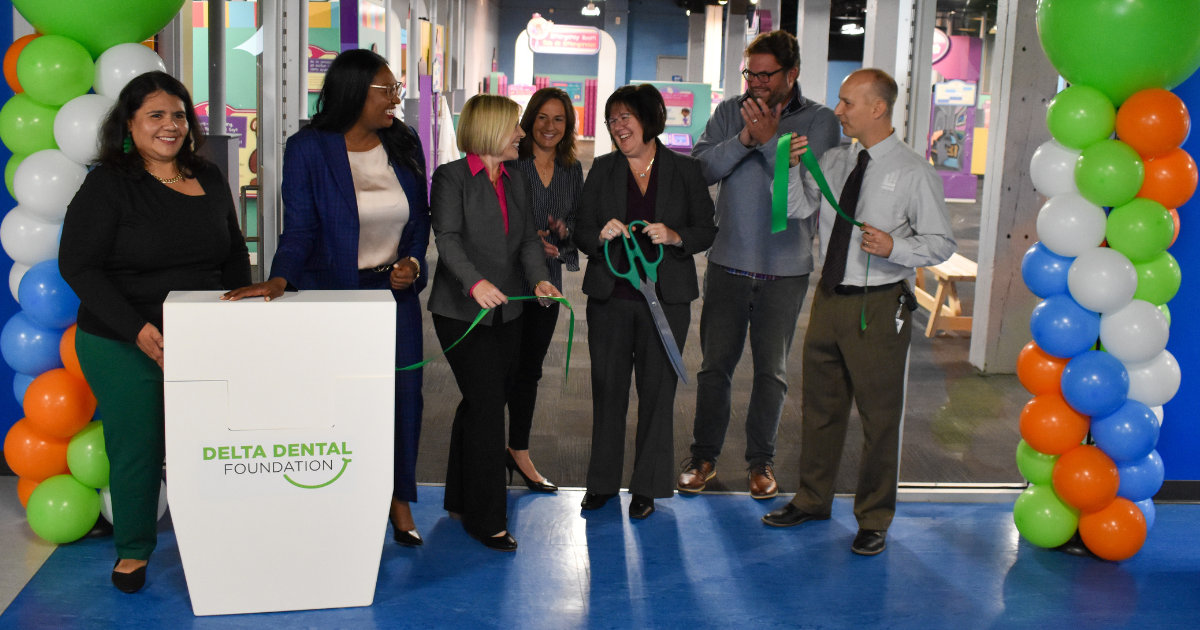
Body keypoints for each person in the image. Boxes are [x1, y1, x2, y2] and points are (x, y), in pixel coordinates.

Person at [222, 49, 430, 548]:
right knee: (339, 402)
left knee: (403, 400)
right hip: (335, 298)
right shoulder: (309, 148)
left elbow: (418, 227)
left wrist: (414, 266)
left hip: (393, 300)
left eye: (395, 88)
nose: (396, 98)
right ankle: (342, 495)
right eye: (387, 89)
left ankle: (398, 496)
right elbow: (301, 230)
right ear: (354, 91)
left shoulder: (403, 144)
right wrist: (278, 279)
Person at [59, 71, 251, 593]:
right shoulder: (109, 184)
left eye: (179, 115)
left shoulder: (208, 176)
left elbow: (232, 250)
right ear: (130, 124)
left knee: (212, 441)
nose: (171, 125)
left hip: (203, 335)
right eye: (156, 115)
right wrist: (140, 330)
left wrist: (242, 314)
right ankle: (134, 550)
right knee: (139, 445)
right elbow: (78, 267)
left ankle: (216, 535)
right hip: (122, 338)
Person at [762, 69, 956, 555]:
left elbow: (941, 244)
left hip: (879, 304)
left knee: (879, 417)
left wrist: (895, 245)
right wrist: (785, 166)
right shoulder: (832, 160)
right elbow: (795, 209)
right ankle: (812, 499)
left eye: (848, 103)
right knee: (820, 410)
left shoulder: (914, 172)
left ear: (878, 108)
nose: (838, 111)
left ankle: (873, 518)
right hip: (829, 298)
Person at [678, 29, 841, 499]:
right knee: (714, 368)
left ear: (792, 73)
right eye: (750, 72)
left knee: (772, 373)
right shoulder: (732, 111)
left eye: (766, 74)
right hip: (728, 263)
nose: (756, 83)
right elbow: (701, 169)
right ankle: (703, 456)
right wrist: (747, 138)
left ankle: (760, 463)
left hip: (786, 271)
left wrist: (772, 143)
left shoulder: (821, 121)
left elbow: (810, 195)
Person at [428, 94, 565, 551]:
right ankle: (488, 520)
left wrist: (542, 281)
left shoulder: (515, 179)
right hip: (462, 312)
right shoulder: (450, 178)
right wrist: (476, 284)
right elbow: (446, 240)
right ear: (490, 130)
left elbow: (528, 240)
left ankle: (460, 498)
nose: (522, 134)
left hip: (510, 311)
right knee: (488, 409)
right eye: (515, 127)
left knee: (480, 402)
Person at [573, 85, 717, 519]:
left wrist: (675, 237)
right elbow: (580, 231)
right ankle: (601, 483)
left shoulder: (685, 171)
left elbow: (706, 230)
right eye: (612, 119)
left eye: (625, 117)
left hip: (666, 300)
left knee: (657, 393)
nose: (618, 126)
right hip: (610, 299)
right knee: (607, 391)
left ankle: (647, 487)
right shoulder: (600, 169)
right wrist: (599, 235)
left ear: (649, 119)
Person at [502, 88, 583, 493]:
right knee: (500, 371)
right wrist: (528, 239)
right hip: (507, 281)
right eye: (543, 118)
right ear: (530, 119)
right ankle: (484, 453)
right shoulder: (511, 162)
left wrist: (563, 237)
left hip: (548, 281)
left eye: (559, 120)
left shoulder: (572, 168)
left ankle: (518, 451)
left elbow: (576, 226)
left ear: (568, 126)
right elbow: (496, 221)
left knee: (530, 370)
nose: (550, 127)